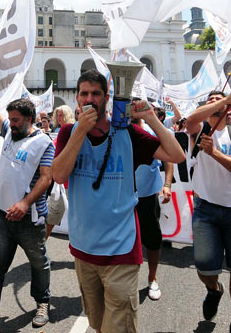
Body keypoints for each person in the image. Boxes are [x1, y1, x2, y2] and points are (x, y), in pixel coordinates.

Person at [52, 69, 185, 333]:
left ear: (106, 98)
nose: (90, 99)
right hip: (83, 247)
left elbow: (176, 155)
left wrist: (149, 118)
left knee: (120, 327)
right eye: (84, 94)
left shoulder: (127, 133)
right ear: (77, 99)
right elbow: (58, 174)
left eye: (96, 94)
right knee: (98, 323)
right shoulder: (68, 133)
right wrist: (81, 131)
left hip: (121, 249)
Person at [0, 64, 54, 332]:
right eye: (11, 119)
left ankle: (42, 302)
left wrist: (26, 202)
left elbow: (46, 178)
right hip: (3, 217)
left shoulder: (44, 143)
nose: (12, 124)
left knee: (38, 263)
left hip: (30, 219)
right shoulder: (8, 131)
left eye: (16, 120)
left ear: (29, 119)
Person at [184, 89, 231, 332]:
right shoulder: (198, 129)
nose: (216, 104)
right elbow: (189, 120)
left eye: (220, 100)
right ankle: (213, 289)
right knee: (205, 268)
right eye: (211, 101)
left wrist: (213, 153)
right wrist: (224, 100)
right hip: (206, 211)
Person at [134, 105, 174, 302]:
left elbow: (170, 159)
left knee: (152, 239)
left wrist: (167, 184)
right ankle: (127, 280)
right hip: (122, 197)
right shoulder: (116, 131)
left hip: (148, 197)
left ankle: (152, 277)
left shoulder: (152, 131)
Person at [45, 105, 75, 239]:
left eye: (61, 115)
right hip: (61, 182)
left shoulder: (73, 130)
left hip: (73, 181)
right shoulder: (58, 130)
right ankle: (41, 247)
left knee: (77, 216)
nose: (59, 117)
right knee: (52, 213)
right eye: (57, 115)